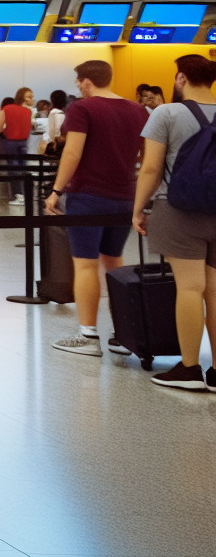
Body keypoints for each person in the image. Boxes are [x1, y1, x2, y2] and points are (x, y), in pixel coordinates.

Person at [46, 60, 150, 357]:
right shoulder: (137, 110)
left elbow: (73, 151)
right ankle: (122, 334)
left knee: (86, 264)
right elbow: (145, 155)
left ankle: (88, 335)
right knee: (114, 261)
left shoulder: (82, 108)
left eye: (78, 81)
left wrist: (56, 191)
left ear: (86, 81)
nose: (77, 86)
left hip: (88, 196)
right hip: (125, 197)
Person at [134, 54, 216, 391]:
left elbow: (151, 169)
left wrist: (138, 209)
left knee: (190, 287)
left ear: (181, 78)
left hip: (178, 208)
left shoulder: (166, 113)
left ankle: (189, 367)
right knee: (214, 290)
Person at [0, 92, 35, 205]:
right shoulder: (26, 113)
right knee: (23, 167)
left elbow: (0, 128)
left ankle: (18, 195)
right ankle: (25, 194)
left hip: (11, 143)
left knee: (13, 168)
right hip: (23, 143)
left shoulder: (6, 112)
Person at [45, 88, 71, 157]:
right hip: (57, 145)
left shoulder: (52, 112)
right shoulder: (59, 113)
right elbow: (58, 131)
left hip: (51, 142)